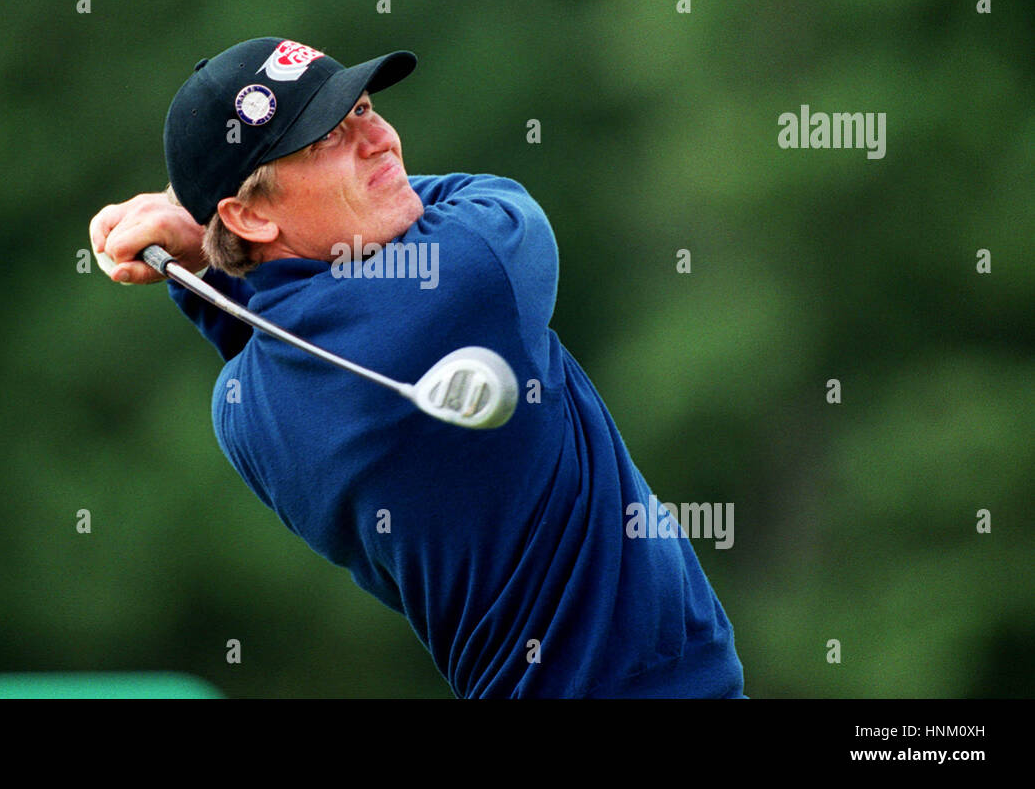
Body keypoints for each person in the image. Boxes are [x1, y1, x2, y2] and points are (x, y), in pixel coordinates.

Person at [89, 37, 746, 698]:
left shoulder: (241, 411)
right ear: (251, 214)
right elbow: (489, 199)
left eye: (366, 109)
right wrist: (193, 227)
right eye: (325, 140)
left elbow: (264, 306)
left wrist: (201, 238)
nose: (377, 141)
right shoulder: (467, 280)